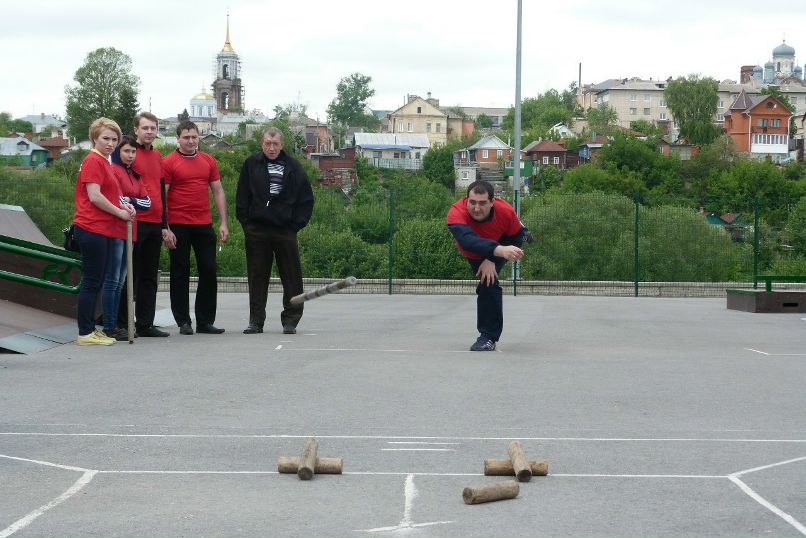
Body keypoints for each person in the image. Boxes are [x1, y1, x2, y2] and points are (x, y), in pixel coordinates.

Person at [235, 127, 314, 335]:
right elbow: (242, 196)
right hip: (257, 231)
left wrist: (295, 225)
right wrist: (247, 225)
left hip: (285, 231)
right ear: (262, 144)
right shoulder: (251, 164)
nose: (271, 148)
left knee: (292, 277)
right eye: (268, 144)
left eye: (275, 144)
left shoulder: (294, 167)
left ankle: (291, 320)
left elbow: (306, 200)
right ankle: (256, 321)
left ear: (282, 145)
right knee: (257, 277)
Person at [72, 117, 136, 345]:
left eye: (114, 139)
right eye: (105, 138)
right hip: (91, 227)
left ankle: (90, 329)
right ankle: (85, 332)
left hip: (103, 229)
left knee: (97, 281)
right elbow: (95, 196)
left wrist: (123, 205)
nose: (110, 143)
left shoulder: (105, 162)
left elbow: (109, 195)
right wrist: (119, 213)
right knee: (91, 282)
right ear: (94, 139)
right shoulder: (93, 160)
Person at [446, 180, 530, 351]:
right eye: (472, 202)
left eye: (483, 203)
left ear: (492, 202)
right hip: (476, 250)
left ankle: (488, 337)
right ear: (466, 199)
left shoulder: (505, 210)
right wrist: (497, 251)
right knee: (486, 272)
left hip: (500, 242)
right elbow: (467, 240)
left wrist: (493, 259)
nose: (476, 208)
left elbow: (514, 240)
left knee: (488, 283)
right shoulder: (456, 212)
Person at [162, 120, 228, 335]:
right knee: (180, 272)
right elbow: (162, 195)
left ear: (199, 137)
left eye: (194, 137)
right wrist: (166, 227)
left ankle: (205, 321)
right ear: (178, 138)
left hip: (203, 223)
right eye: (186, 137)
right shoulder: (169, 162)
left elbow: (217, 191)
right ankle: (183, 321)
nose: (191, 141)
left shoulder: (208, 160)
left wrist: (223, 222)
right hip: (178, 224)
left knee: (208, 269)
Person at [101, 135, 152, 341]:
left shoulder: (136, 175)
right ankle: (109, 325)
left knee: (121, 280)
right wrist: (130, 201)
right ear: (118, 153)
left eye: (133, 152)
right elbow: (115, 198)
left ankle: (116, 325)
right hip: (116, 229)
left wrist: (131, 200)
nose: (130, 155)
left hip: (131, 230)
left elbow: (147, 203)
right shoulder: (113, 170)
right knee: (112, 280)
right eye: (126, 151)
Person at [129, 112, 174, 338]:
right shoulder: (128, 153)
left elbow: (161, 192)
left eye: (153, 128)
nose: (149, 132)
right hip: (134, 222)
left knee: (149, 276)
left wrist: (165, 224)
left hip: (155, 223)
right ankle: (123, 322)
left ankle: (145, 323)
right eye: (145, 128)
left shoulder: (158, 157)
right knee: (129, 274)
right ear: (136, 129)